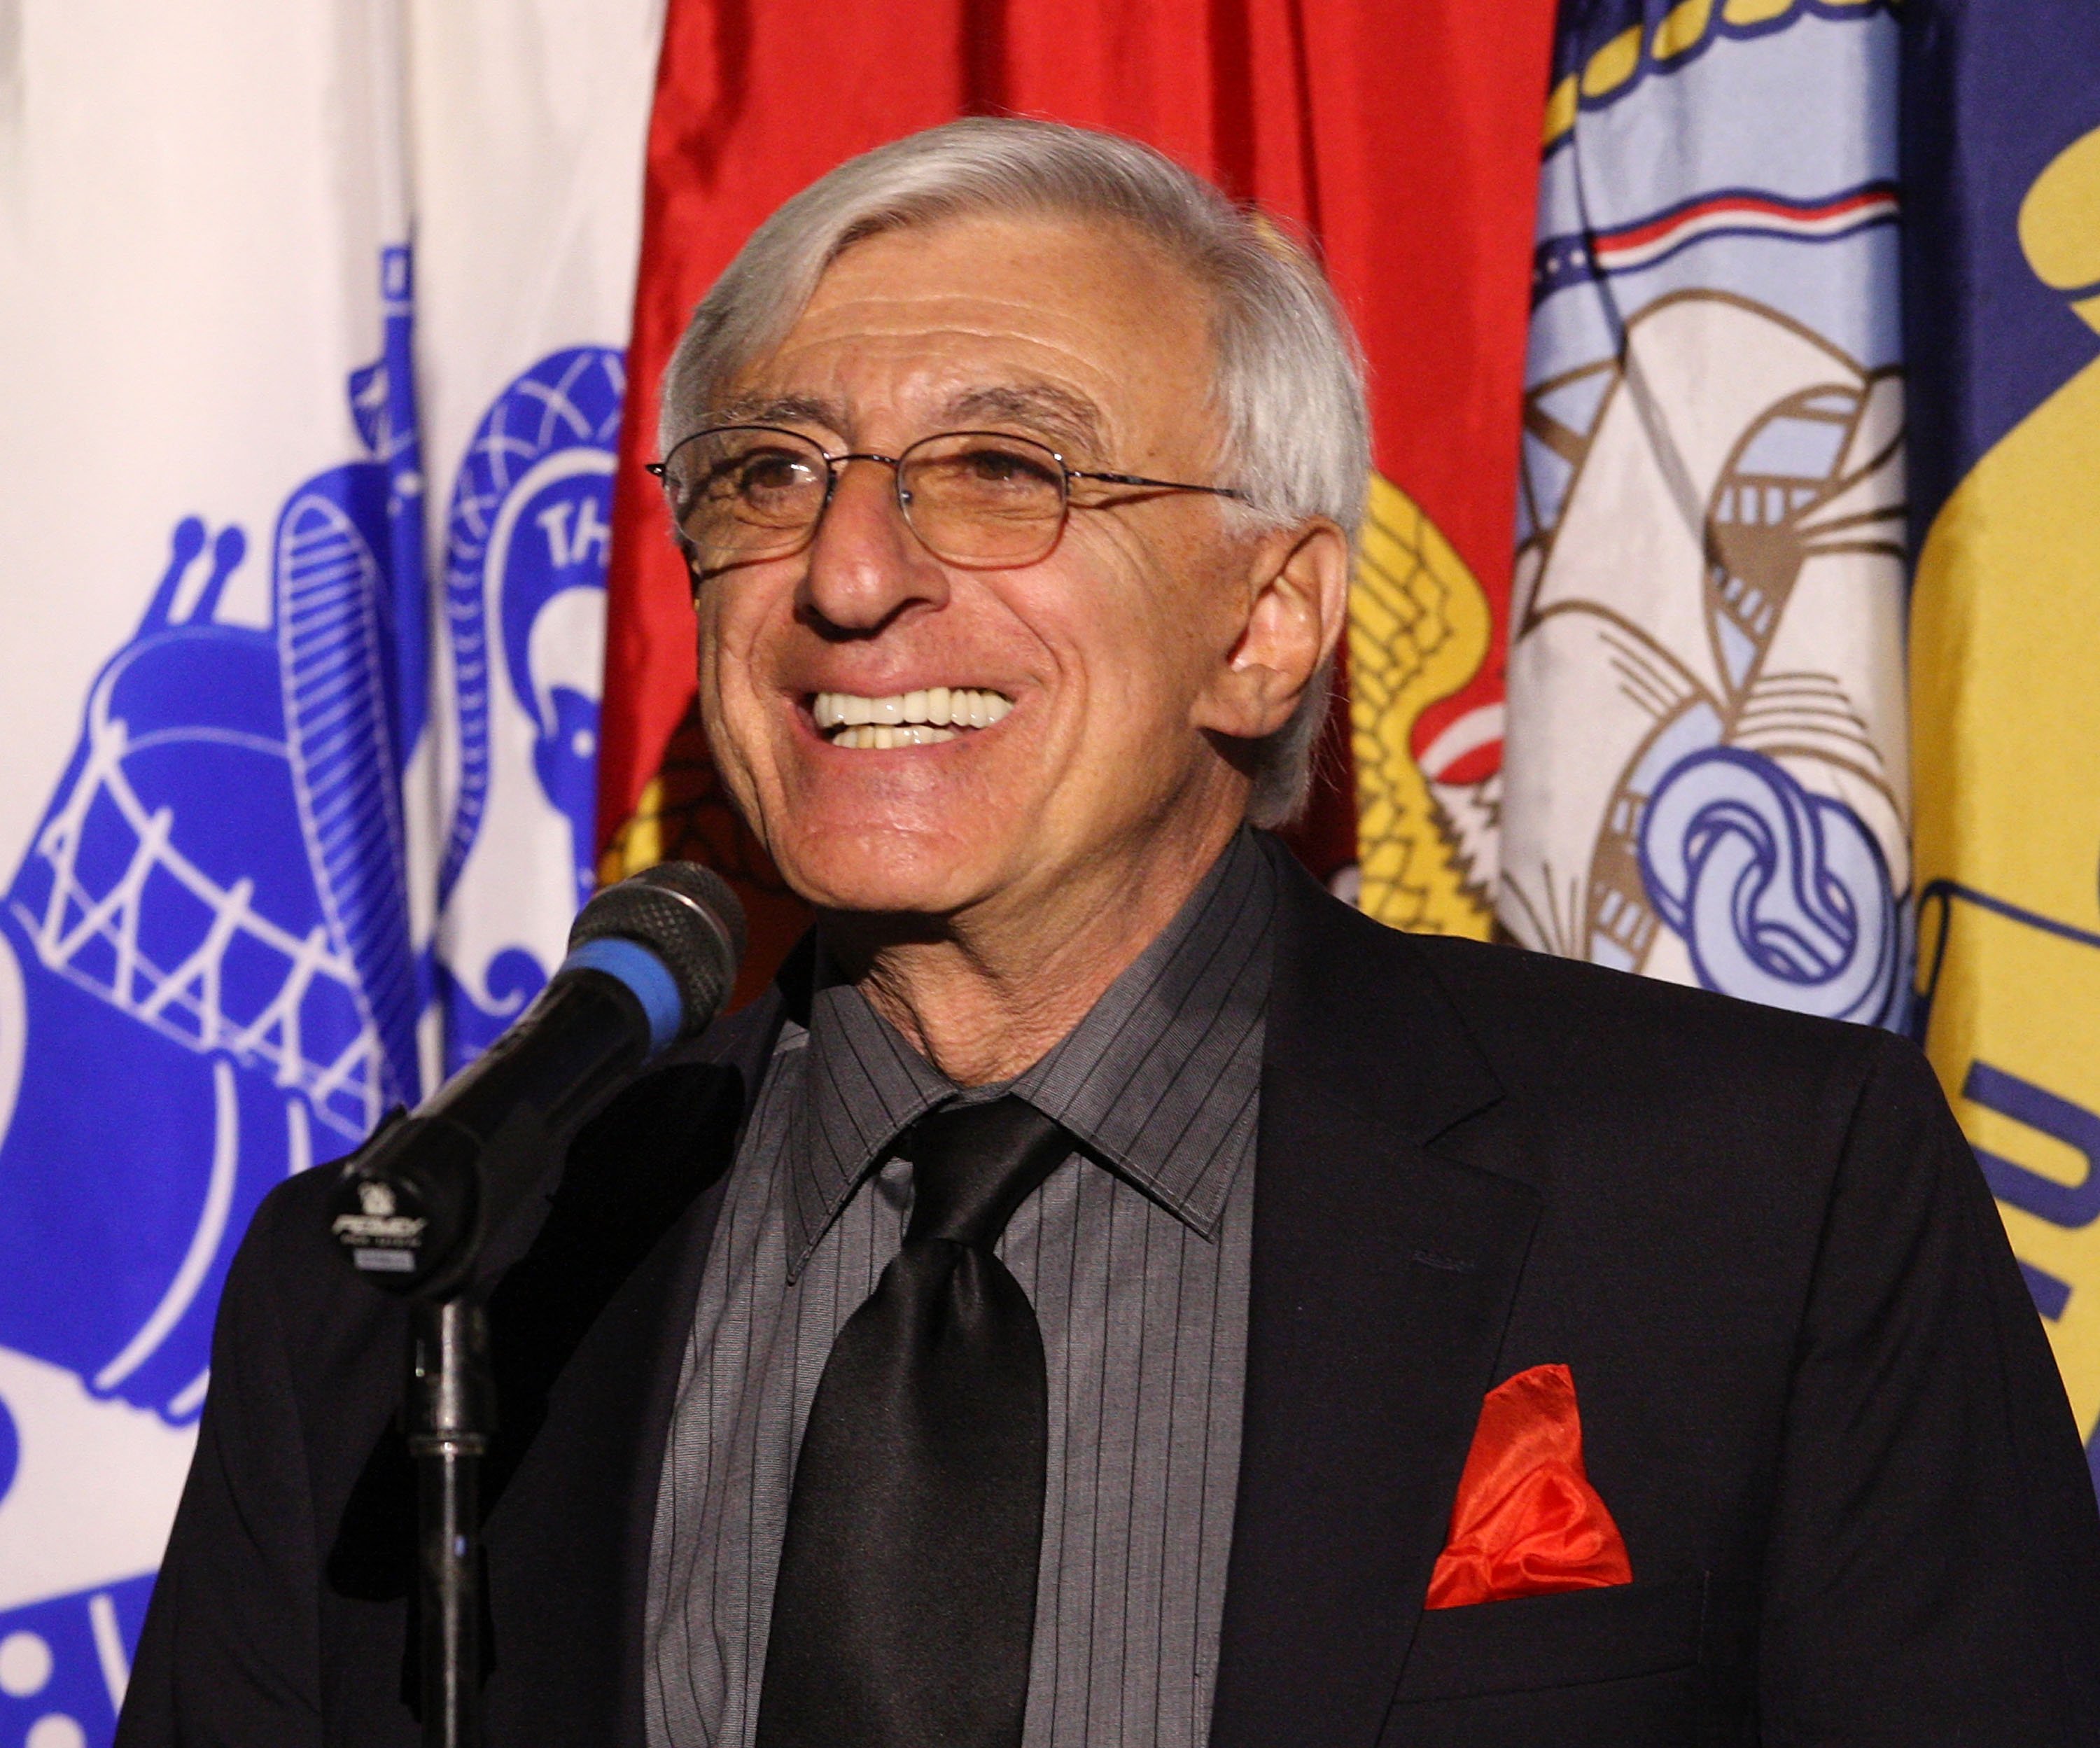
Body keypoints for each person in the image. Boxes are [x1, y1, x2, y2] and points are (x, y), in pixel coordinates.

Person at [120, 118, 2100, 1748]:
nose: (852, 570)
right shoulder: (410, 1285)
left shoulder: (1755, 1201)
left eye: (1002, 471)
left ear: (1270, 622)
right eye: (764, 474)